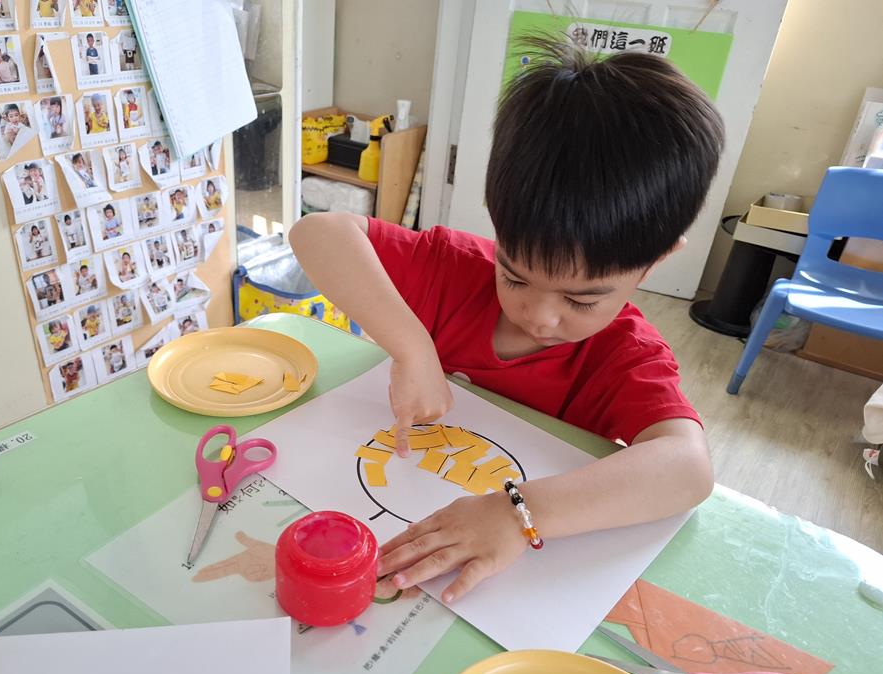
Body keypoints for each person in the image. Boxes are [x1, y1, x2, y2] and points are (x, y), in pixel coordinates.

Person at [288, 38, 723, 603]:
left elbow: (688, 469)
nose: (539, 316)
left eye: (581, 300)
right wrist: (413, 348)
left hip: (516, 587)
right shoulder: (455, 270)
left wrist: (519, 512)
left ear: (658, 259)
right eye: (515, 277)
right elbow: (317, 233)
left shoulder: (624, 356)